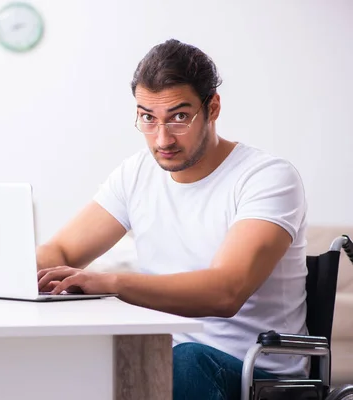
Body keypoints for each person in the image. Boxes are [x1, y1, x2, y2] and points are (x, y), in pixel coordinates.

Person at [36, 38, 308, 400]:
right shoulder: (136, 174)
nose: (161, 138)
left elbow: (226, 292)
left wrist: (110, 282)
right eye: (148, 118)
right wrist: (6, 273)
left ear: (212, 108)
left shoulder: (266, 177)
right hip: (167, 360)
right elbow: (62, 250)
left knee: (186, 360)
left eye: (179, 117)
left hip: (260, 375)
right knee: (77, 359)